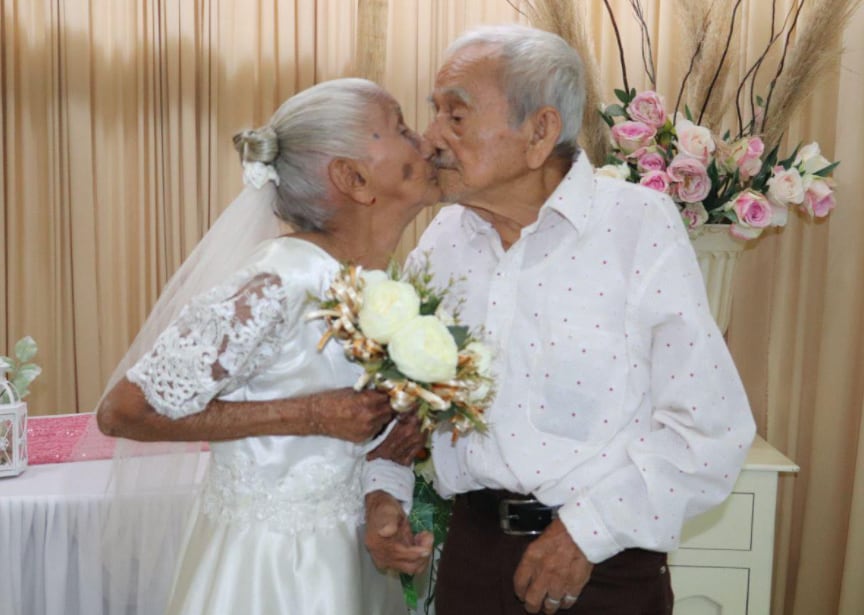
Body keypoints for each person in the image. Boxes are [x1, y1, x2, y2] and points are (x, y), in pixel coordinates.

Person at [364, 24, 757, 615]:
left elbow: (709, 428)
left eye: (456, 116)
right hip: (470, 561)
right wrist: (382, 493)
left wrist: (585, 531)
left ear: (540, 131)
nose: (430, 138)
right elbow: (401, 402)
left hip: (603, 570)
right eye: (434, 113)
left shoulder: (636, 226)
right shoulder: (446, 236)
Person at [96, 77, 436, 615]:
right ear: (353, 178)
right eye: (400, 128)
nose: (425, 141)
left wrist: (382, 496)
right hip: (271, 573)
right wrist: (307, 414)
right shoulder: (279, 283)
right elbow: (123, 411)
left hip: (350, 560)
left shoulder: (375, 286)